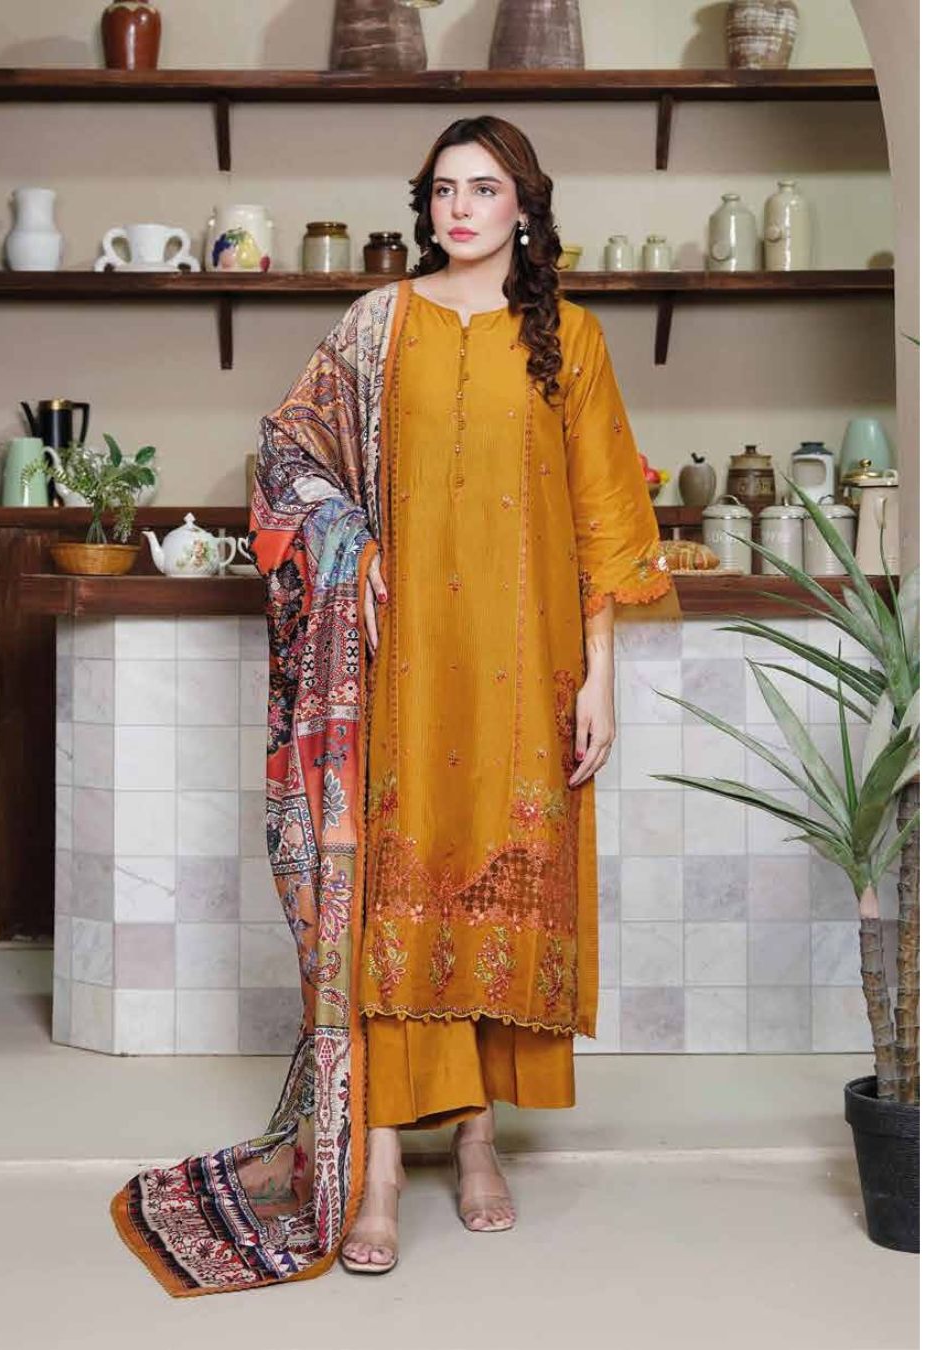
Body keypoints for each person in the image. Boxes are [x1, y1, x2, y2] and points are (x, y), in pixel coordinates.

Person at [109, 116, 675, 1297]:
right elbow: (286, 453)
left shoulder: (569, 338)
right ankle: (372, 1168)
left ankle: (475, 1143)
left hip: (525, 665)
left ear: (525, 206)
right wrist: (347, 540)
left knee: (494, 889)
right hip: (393, 671)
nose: (460, 209)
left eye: (485, 188)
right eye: (443, 190)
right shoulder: (377, 327)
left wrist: (601, 677)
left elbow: (604, 520)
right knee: (388, 902)